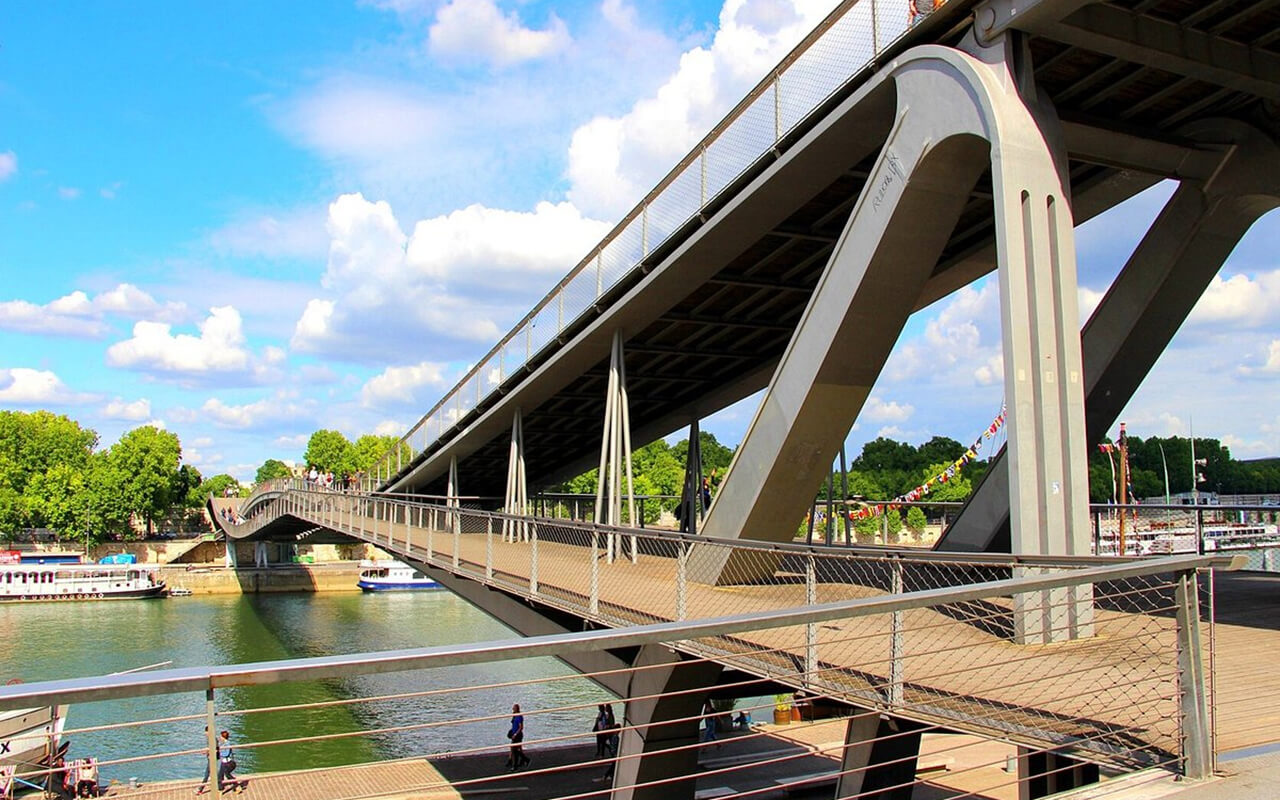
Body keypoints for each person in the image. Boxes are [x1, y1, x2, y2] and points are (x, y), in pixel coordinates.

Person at [505, 704, 530, 771]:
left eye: (514, 708)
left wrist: (515, 734)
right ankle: (523, 760)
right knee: (515, 749)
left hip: (518, 735)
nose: (512, 709)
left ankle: (516, 764)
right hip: (514, 734)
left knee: (514, 750)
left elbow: (521, 727)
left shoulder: (519, 716)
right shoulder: (514, 716)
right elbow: (514, 725)